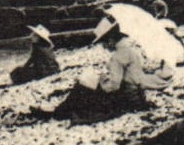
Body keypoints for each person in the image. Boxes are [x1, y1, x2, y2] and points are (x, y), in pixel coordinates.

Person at [30, 19, 169, 123]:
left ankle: (58, 112)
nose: (104, 46)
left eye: (104, 42)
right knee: (85, 88)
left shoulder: (117, 57)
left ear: (111, 39)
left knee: (81, 89)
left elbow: (113, 86)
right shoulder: (132, 50)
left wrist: (101, 80)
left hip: (125, 98)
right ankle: (60, 110)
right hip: (136, 94)